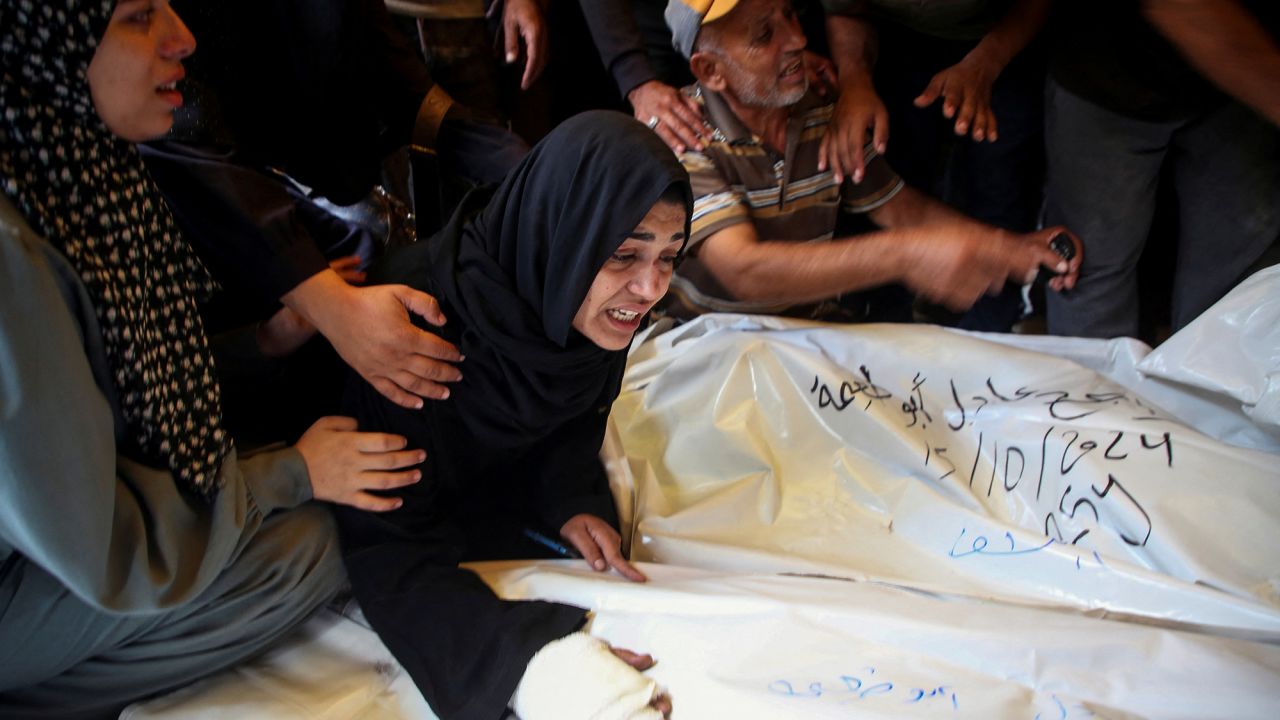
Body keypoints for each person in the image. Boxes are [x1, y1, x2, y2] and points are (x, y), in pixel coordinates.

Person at [0, 1, 422, 715]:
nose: (183, 36)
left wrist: (262, 345)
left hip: (65, 528)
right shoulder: (12, 254)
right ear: (46, 44)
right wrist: (291, 474)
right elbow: (106, 546)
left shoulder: (70, 163)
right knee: (317, 545)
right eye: (137, 16)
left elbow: (111, 390)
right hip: (53, 560)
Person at [333, 111, 686, 720]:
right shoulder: (417, 327)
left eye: (670, 257)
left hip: (486, 508)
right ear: (559, 232)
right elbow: (386, 544)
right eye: (625, 254)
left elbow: (571, 421)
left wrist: (568, 494)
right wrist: (534, 664)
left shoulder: (580, 305)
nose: (650, 289)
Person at [658, 0, 1079, 324]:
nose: (797, 40)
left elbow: (899, 208)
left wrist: (1014, 249)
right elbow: (743, 270)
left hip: (806, 342)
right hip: (710, 350)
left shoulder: (820, 108)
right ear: (710, 71)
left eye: (789, 14)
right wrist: (909, 257)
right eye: (765, 34)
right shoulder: (684, 135)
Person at [1042, 0, 1280, 339]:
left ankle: (1207, 384)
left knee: (1235, 284)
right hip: (1106, 75)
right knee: (1084, 268)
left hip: (1239, 96)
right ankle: (1091, 388)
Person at [818, 0, 1053, 331]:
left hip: (1004, 40)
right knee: (891, 166)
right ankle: (882, 325)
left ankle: (987, 336)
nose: (796, 44)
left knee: (997, 183)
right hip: (896, 40)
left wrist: (987, 63)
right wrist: (855, 80)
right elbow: (893, 203)